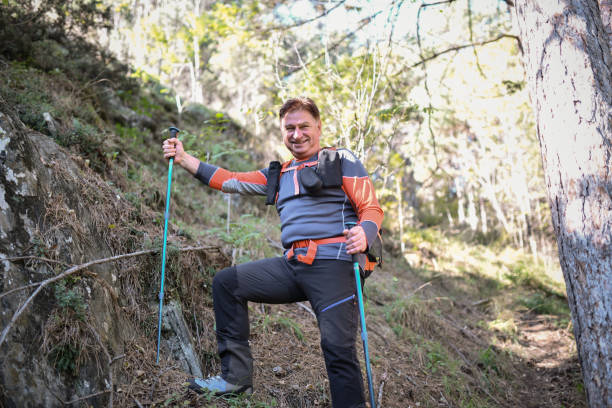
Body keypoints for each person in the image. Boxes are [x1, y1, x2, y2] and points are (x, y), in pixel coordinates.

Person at [162, 96, 383, 408]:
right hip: (292, 266)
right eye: (289, 128)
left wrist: (364, 232)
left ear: (318, 127)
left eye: (304, 126)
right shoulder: (278, 175)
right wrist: (184, 159)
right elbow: (230, 180)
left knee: (337, 347)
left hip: (335, 265)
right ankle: (235, 379)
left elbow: (371, 208)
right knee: (227, 283)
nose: (297, 134)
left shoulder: (340, 160)